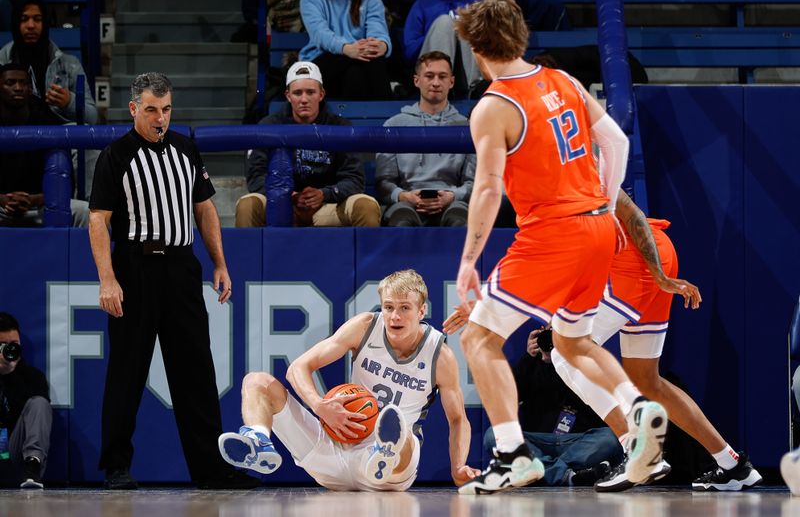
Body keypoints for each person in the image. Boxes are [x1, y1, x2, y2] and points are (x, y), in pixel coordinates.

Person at [451, 0, 667, 494]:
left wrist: (468, 259)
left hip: (552, 233)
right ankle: (638, 414)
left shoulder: (493, 106)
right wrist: (605, 204)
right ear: (521, 37)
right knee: (573, 341)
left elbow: (487, 188)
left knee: (478, 340)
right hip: (597, 228)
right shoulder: (563, 80)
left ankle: (512, 454)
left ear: (475, 48)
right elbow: (617, 143)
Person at [88, 72, 259, 490]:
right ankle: (116, 467)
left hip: (182, 268)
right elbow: (98, 220)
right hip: (135, 267)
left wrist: (220, 263)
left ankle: (212, 469)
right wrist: (107, 279)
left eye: (165, 109)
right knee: (127, 371)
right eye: (151, 110)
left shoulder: (185, 148)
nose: (159, 118)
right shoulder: (116, 155)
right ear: (133, 109)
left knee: (196, 372)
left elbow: (205, 209)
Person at [547, 190, 762, 492]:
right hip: (643, 256)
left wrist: (659, 275)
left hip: (640, 255)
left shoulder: (576, 163)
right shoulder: (533, 185)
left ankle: (639, 450)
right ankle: (732, 464)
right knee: (647, 380)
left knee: (564, 352)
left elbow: (632, 214)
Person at [218, 269, 480, 490]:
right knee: (256, 382)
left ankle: (384, 451)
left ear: (422, 311)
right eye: (388, 307)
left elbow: (457, 419)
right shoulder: (365, 327)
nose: (395, 316)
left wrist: (458, 468)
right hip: (332, 449)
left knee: (402, 430)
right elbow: (297, 368)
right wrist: (319, 406)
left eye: (404, 308)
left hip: (391, 471)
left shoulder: (439, 354)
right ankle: (258, 441)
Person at [235, 61, 381, 228]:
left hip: (328, 204)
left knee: (366, 205)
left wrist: (324, 193)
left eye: (310, 92)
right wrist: (287, 194)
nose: (304, 99)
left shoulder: (340, 127)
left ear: (321, 94)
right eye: (298, 93)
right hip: (282, 202)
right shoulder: (268, 126)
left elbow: (354, 179)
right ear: (288, 96)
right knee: (248, 205)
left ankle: (368, 255)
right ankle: (247, 255)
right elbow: (256, 176)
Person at [483, 328, 623, 486]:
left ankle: (540, 471)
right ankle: (568, 475)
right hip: (536, 442)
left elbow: (604, 408)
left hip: (578, 442)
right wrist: (530, 358)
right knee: (494, 434)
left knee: (610, 437)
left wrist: (570, 359)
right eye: (549, 333)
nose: (551, 341)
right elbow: (507, 400)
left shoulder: (586, 361)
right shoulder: (531, 363)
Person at [375, 51, 475, 227]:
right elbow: (384, 182)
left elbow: (473, 182)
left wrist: (453, 195)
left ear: (451, 82)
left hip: (453, 200)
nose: (436, 82)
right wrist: (403, 196)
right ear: (416, 80)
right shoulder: (394, 124)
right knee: (401, 218)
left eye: (442, 77)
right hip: (407, 200)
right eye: (429, 76)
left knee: (460, 218)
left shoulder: (467, 127)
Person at [0, 63, 89, 227]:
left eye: (23, 83)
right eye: (10, 83)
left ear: (30, 88)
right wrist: (3, 199)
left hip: (40, 206)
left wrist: (32, 199)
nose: (18, 87)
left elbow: (65, 184)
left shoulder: (47, 123)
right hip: (1, 207)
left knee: (85, 212)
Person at [0, 0, 97, 125]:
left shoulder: (69, 64)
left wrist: (69, 102)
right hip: (10, 134)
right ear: (15, 23)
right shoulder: (2, 61)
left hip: (57, 135)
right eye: (24, 19)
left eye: (37, 19)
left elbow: (93, 118)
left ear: (45, 23)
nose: (31, 25)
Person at [299, 0, 392, 100]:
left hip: (360, 60)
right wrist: (347, 48)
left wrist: (381, 46)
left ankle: (382, 112)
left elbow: (378, 32)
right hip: (323, 60)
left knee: (360, 70)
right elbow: (320, 35)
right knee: (357, 70)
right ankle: (384, 111)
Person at [0, 312, 52, 489]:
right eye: (2, 345)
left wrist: (10, 375)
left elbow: (27, 416)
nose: (8, 350)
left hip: (15, 455)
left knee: (39, 403)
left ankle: (33, 466)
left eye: (13, 344)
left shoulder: (32, 377)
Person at [403, 0, 482, 94]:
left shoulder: (481, 5)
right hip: (430, 70)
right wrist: (437, 33)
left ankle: (474, 90)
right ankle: (439, 84)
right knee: (444, 22)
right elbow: (409, 53)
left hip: (471, 71)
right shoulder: (422, 5)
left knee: (466, 22)